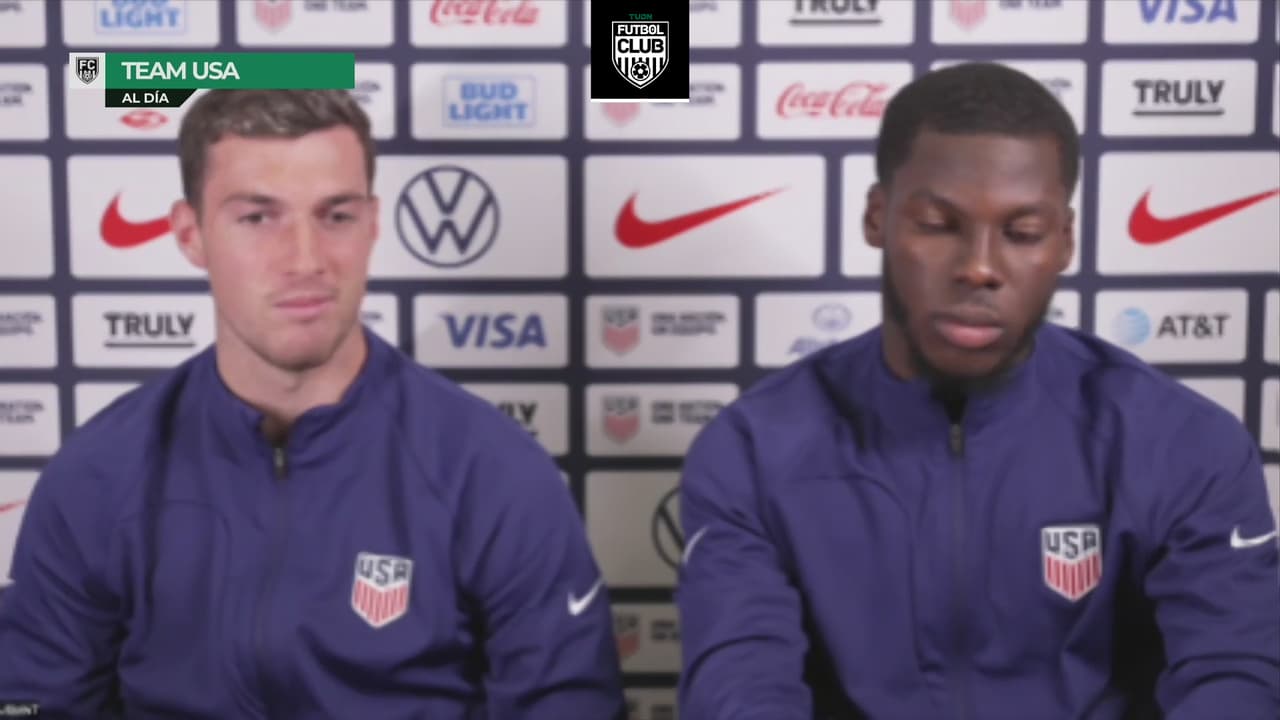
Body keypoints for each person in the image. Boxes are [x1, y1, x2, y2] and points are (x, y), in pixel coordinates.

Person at [676, 62, 1280, 720]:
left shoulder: (1183, 444)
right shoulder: (752, 450)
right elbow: (742, 690)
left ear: (1065, 241)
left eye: (1022, 234)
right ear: (878, 218)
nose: (979, 267)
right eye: (938, 224)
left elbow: (1235, 679)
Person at [0, 89, 626, 719]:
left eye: (336, 216)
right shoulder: (100, 472)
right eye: (258, 218)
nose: (304, 260)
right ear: (191, 235)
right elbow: (35, 703)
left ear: (372, 226)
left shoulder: (491, 470)